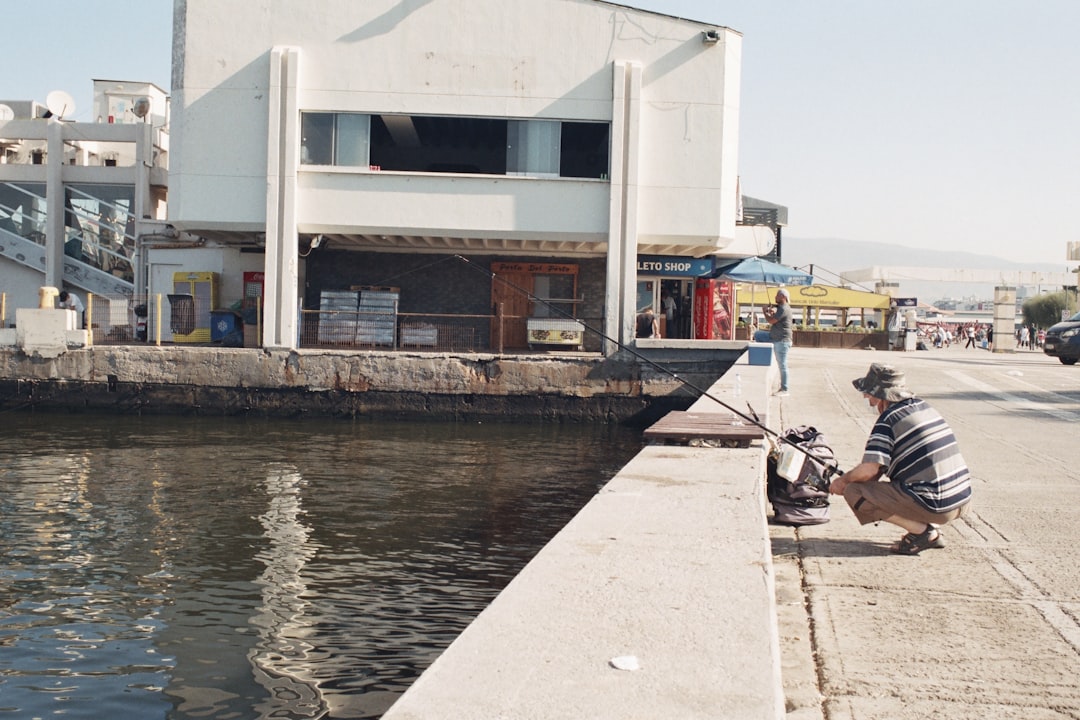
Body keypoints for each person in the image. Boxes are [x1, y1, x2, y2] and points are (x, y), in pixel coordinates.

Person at [829, 363, 972, 556]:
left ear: (881, 395)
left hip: (938, 506)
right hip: (961, 500)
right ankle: (927, 528)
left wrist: (843, 481)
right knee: (885, 485)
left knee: (854, 491)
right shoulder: (923, 407)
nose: (866, 397)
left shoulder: (889, 420)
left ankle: (924, 533)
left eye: (869, 393)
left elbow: (869, 470)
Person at [761, 287, 792, 396]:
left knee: (782, 365)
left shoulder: (783, 309)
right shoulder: (782, 308)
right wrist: (771, 312)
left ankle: (785, 389)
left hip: (782, 340)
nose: (775, 297)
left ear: (783, 297)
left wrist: (764, 312)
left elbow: (771, 321)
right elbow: (776, 318)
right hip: (777, 338)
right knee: (758, 335)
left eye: (777, 295)